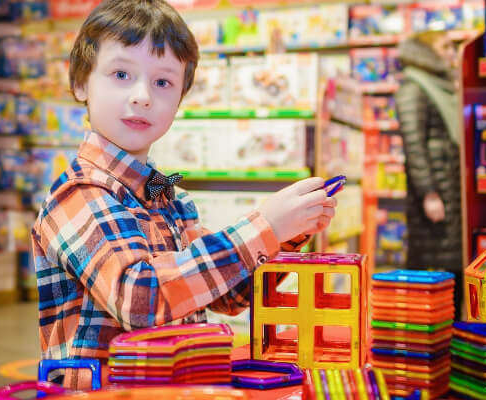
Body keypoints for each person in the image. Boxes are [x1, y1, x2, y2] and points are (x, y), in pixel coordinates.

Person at [31, 0, 337, 390]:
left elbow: (227, 296)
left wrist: (286, 231)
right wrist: (264, 225)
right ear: (80, 83)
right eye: (121, 73)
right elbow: (139, 299)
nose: (142, 95)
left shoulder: (167, 195)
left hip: (178, 386)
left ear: (180, 99)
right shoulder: (80, 193)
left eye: (163, 82)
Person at [394, 31, 463, 318]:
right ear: (426, 51)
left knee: (451, 263)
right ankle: (427, 331)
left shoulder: (440, 85)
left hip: (449, 187)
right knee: (431, 266)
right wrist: (429, 193)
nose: (451, 52)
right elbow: (414, 145)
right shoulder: (414, 87)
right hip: (436, 193)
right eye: (444, 46)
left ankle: (450, 327)